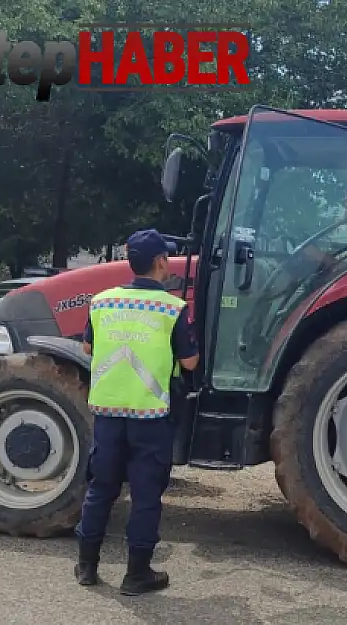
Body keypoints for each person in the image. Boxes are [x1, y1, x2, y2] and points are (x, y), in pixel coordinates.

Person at [74, 229, 200, 595]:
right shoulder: (172, 309)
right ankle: (136, 575)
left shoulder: (101, 303)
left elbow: (86, 348)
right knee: (146, 495)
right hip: (151, 417)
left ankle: (87, 567)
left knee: (101, 489)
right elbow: (189, 362)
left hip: (109, 415)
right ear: (161, 262)